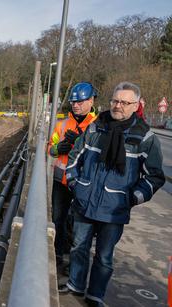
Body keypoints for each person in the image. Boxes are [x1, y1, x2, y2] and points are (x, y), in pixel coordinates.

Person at [60, 81, 165, 307]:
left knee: (104, 257)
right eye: (115, 101)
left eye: (125, 102)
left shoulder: (144, 137)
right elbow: (75, 156)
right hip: (85, 201)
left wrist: (131, 198)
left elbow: (154, 176)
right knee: (78, 246)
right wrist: (75, 184)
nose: (118, 106)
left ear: (135, 105)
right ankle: (75, 285)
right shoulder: (97, 126)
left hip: (114, 208)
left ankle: (95, 295)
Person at [48, 82, 97, 267]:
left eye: (80, 101)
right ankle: (58, 255)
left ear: (91, 101)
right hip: (61, 182)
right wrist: (56, 148)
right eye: (73, 102)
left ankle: (74, 263)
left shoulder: (97, 126)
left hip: (83, 183)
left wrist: (79, 143)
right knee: (58, 219)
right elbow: (49, 148)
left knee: (79, 224)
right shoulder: (62, 125)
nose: (76, 105)